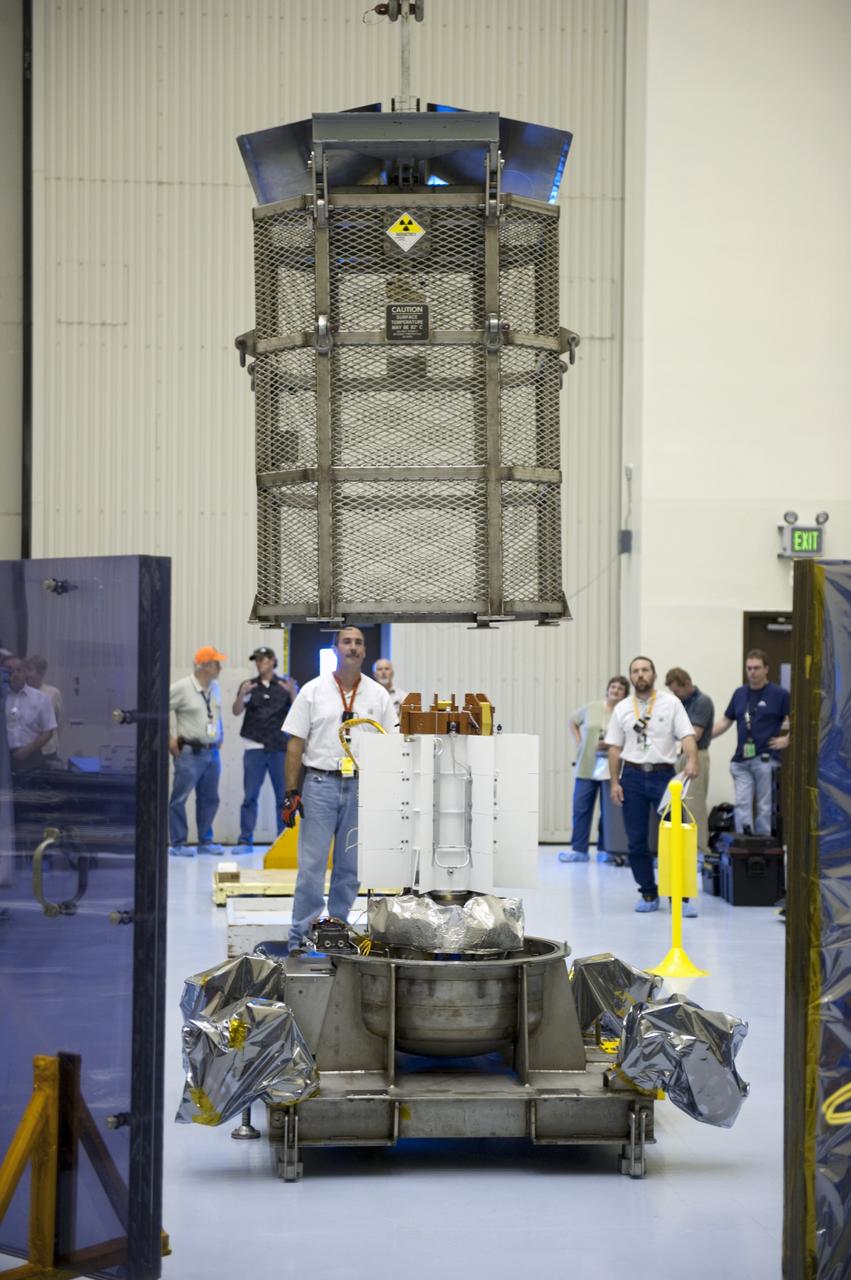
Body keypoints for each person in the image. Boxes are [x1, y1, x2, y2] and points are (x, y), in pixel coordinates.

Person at [282, 627, 396, 951]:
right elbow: (295, 744)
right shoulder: (313, 692)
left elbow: (392, 744)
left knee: (350, 867)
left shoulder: (378, 695)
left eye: (359, 642)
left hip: (360, 787)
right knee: (312, 867)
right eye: (346, 641)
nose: (353, 647)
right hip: (320, 785)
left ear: (365, 651)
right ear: (335, 649)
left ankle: (337, 928)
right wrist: (291, 792)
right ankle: (301, 935)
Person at [606, 656, 699, 914]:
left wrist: (692, 760)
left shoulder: (671, 703)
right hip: (632, 777)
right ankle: (648, 893)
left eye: (645, 670)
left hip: (665, 778)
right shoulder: (622, 708)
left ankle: (679, 897)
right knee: (636, 840)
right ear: (631, 677)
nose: (640, 674)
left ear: (654, 675)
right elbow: (614, 749)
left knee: (675, 836)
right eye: (635, 671)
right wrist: (614, 783)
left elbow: (687, 735)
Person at [711, 648, 790, 835]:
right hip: (741, 761)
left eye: (756, 668)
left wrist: (787, 739)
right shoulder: (740, 693)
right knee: (742, 804)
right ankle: (744, 842)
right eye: (749, 668)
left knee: (764, 806)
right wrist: (702, 737)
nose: (752, 672)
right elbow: (725, 721)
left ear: (766, 669)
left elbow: (799, 721)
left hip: (765, 758)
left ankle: (764, 843)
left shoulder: (780, 694)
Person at [232, 646, 298, 850]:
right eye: (257, 660)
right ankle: (245, 840)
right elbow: (236, 711)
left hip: (279, 747)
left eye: (263, 659)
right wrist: (242, 694)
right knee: (250, 796)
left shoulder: (286, 685)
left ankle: (283, 842)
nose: (259, 663)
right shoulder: (249, 685)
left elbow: (299, 713)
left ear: (272, 661)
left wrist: (292, 693)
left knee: (283, 797)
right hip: (254, 747)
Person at [559, 675, 630, 864]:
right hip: (587, 766)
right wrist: (580, 742)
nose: (615, 690)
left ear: (625, 694)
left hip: (611, 769)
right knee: (581, 808)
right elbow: (572, 721)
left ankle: (606, 850)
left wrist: (611, 744)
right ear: (608, 689)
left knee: (608, 813)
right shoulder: (592, 707)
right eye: (613, 687)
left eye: (620, 688)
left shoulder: (624, 713)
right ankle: (579, 850)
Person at [168, 646, 227, 857]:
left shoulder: (215, 687)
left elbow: (217, 714)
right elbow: (158, 708)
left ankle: (205, 842)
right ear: (204, 666)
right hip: (189, 754)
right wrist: (169, 739)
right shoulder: (182, 687)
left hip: (212, 753)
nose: (220, 667)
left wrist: (220, 735)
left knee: (210, 799)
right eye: (216, 663)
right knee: (179, 799)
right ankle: (178, 844)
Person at [664, 667, 714, 856]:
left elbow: (694, 734)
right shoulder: (680, 704)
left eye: (677, 691)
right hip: (678, 756)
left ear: (687, 684)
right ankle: (682, 850)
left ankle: (700, 851)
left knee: (694, 806)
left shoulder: (702, 702)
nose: (675, 695)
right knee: (678, 806)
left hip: (695, 755)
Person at [2, 656, 57, 773]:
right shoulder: (2, 698)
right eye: (10, 671)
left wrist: (27, 750)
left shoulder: (41, 698)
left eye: (19, 670)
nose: (15, 674)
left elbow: (48, 731)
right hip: (3, 757)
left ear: (25, 672)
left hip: (31, 757)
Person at [25, 656, 63, 763]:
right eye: (25, 670)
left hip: (48, 750)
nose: (27, 674)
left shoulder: (53, 693)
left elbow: (58, 722)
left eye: (30, 670)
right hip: (27, 750)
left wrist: (54, 742)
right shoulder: (22, 693)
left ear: (41, 673)